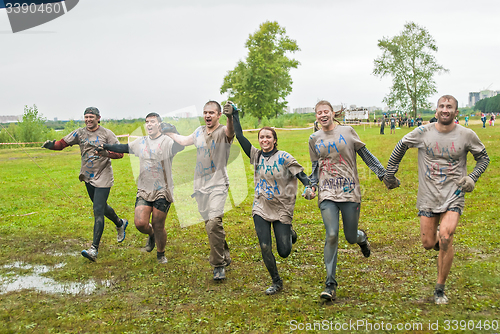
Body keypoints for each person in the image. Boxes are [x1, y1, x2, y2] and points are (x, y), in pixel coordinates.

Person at [383, 95, 489, 305]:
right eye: (442, 106)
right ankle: (440, 243)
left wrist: (472, 177)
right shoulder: (423, 132)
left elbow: (483, 158)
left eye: (450, 107)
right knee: (428, 242)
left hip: (454, 194)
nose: (445, 109)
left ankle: (439, 289)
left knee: (446, 236)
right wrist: (389, 175)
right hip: (428, 195)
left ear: (456, 112)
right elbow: (401, 145)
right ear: (437, 110)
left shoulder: (467, 135)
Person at [308, 100, 387, 302]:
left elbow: (365, 154)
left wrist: (382, 174)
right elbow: (316, 167)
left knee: (350, 236)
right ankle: (330, 284)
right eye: (319, 112)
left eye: (326, 111)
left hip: (349, 191)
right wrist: (312, 185)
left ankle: (362, 238)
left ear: (333, 113)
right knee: (332, 234)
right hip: (327, 192)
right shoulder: (314, 138)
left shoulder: (348, 131)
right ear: (316, 116)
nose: (323, 115)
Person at [231, 104, 312, 295]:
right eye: (262, 137)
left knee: (284, 252)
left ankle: (290, 232)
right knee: (265, 246)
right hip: (261, 205)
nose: (264, 139)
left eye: (268, 137)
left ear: (275, 140)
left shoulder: (284, 157)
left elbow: (300, 173)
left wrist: (308, 185)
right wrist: (235, 114)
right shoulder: (256, 155)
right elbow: (240, 136)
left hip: (282, 207)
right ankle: (276, 281)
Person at [42, 107, 128, 262]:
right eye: (86, 117)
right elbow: (62, 144)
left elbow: (120, 153)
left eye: (91, 117)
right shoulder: (79, 133)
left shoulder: (107, 134)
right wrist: (51, 145)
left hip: (103, 176)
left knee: (97, 210)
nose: (88, 119)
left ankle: (94, 249)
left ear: (98, 118)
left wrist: (105, 153)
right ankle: (120, 223)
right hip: (88, 176)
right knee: (101, 206)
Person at [96, 113, 184, 263]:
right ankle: (151, 235)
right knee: (140, 223)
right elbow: (124, 148)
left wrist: (174, 131)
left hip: (163, 189)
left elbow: (180, 146)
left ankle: (160, 254)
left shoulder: (167, 141)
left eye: (152, 122)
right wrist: (105, 146)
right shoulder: (141, 142)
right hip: (144, 188)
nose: (149, 125)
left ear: (159, 125)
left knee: (158, 224)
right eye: (147, 122)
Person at [164, 101, 234, 280]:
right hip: (200, 186)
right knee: (210, 223)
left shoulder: (223, 132)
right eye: (205, 112)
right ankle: (223, 250)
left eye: (211, 112)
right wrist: (170, 132)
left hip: (218, 184)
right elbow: (183, 140)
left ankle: (218, 265)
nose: (208, 115)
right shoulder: (198, 131)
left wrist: (231, 116)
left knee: (213, 221)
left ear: (218, 115)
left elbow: (231, 131)